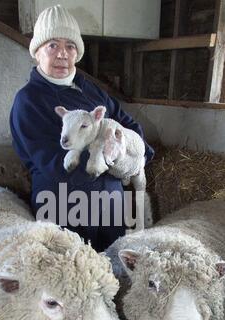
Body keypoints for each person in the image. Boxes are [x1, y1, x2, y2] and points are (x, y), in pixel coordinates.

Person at [10, 5, 154, 252]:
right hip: (64, 206)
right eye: (52, 45)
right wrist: (114, 159)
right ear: (37, 52)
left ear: (77, 52)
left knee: (112, 271)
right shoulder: (29, 100)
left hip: (111, 206)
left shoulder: (90, 90)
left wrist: (139, 155)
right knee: (71, 277)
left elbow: (127, 123)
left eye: (70, 46)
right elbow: (55, 163)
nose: (63, 54)